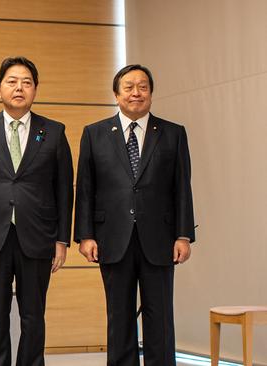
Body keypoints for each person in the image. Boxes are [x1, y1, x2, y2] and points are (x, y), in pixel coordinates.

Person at [74, 64, 195, 366]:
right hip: (112, 239)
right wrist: (86, 235)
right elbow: (86, 189)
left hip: (160, 239)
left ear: (151, 94)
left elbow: (182, 187)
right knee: (119, 316)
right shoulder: (95, 134)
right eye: (128, 87)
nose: (136, 93)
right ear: (116, 94)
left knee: (160, 317)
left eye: (142, 87)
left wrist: (183, 234)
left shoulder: (172, 133)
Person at [0, 56, 73, 366]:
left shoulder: (53, 131)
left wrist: (62, 239)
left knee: (33, 315)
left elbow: (64, 190)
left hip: (37, 236)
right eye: (11, 81)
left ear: (35, 89)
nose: (19, 88)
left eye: (26, 82)